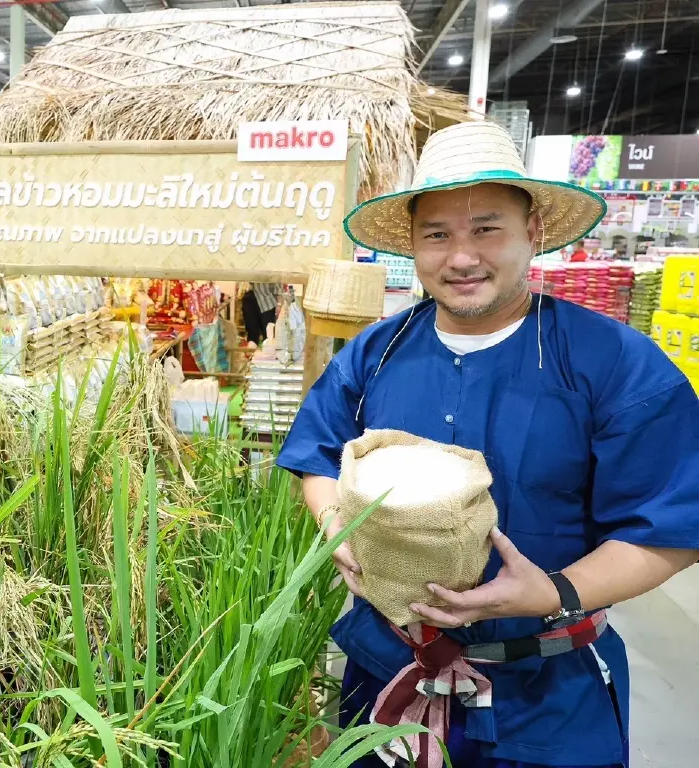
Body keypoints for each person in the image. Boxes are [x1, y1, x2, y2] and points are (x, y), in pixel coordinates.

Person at [277, 121, 699, 768]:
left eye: (487, 229)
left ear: (533, 231)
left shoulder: (613, 364)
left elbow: (670, 527)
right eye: (437, 235)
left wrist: (554, 590)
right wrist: (339, 524)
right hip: (387, 671)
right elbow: (316, 453)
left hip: (548, 695)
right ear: (413, 247)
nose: (462, 257)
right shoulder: (377, 351)